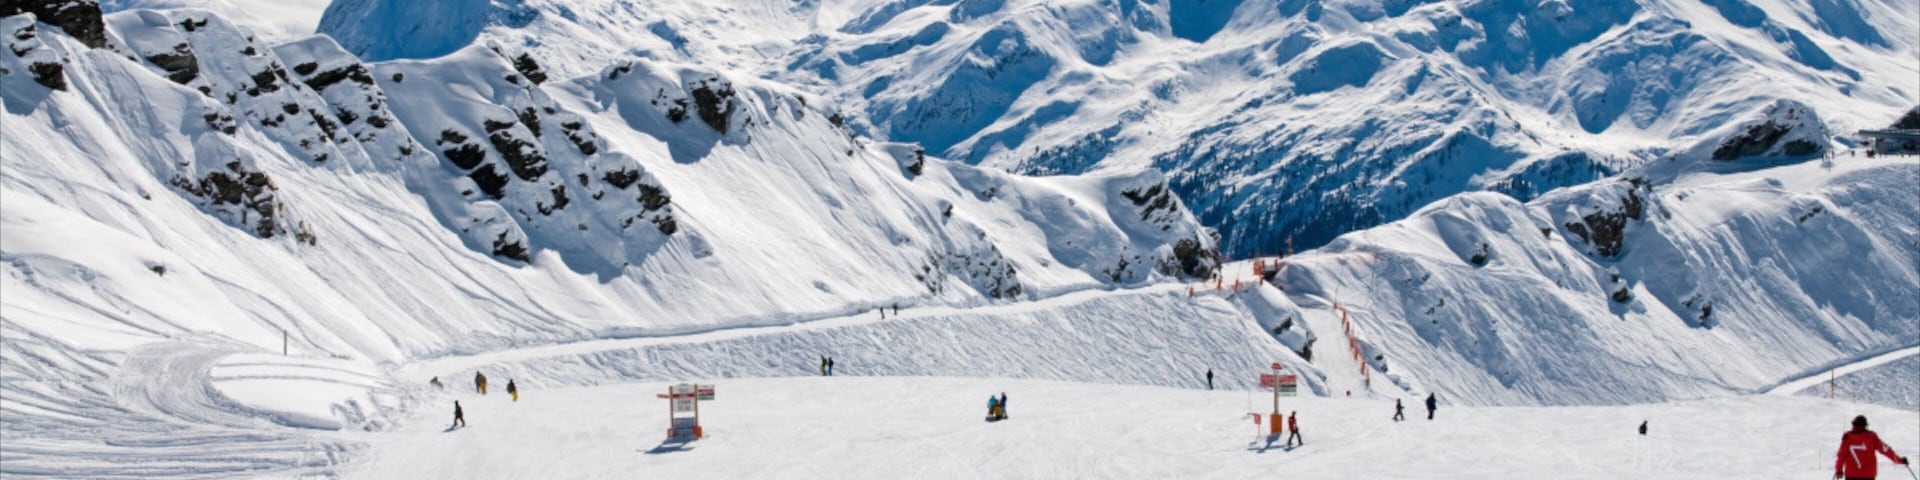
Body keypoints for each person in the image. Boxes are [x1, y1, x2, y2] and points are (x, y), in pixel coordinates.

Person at [1836, 415, 1907, 480]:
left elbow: (1841, 456)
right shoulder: (1872, 437)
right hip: (1869, 475)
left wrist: (1839, 470)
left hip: (1851, 475)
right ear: (1865, 425)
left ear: (1853, 425)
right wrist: (1899, 460)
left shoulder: (1847, 437)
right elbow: (1886, 450)